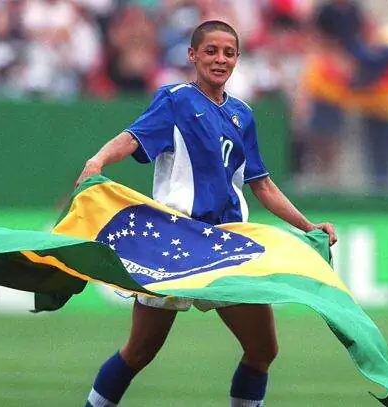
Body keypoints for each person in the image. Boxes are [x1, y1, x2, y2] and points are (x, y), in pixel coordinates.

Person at [75, 20, 337, 407]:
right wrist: (97, 160)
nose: (220, 59)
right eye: (211, 51)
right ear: (192, 55)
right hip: (176, 244)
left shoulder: (242, 115)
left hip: (227, 246)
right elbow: (132, 138)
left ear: (237, 59)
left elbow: (261, 184)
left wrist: (306, 225)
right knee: (139, 352)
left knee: (263, 350)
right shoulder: (175, 99)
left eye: (228, 53)